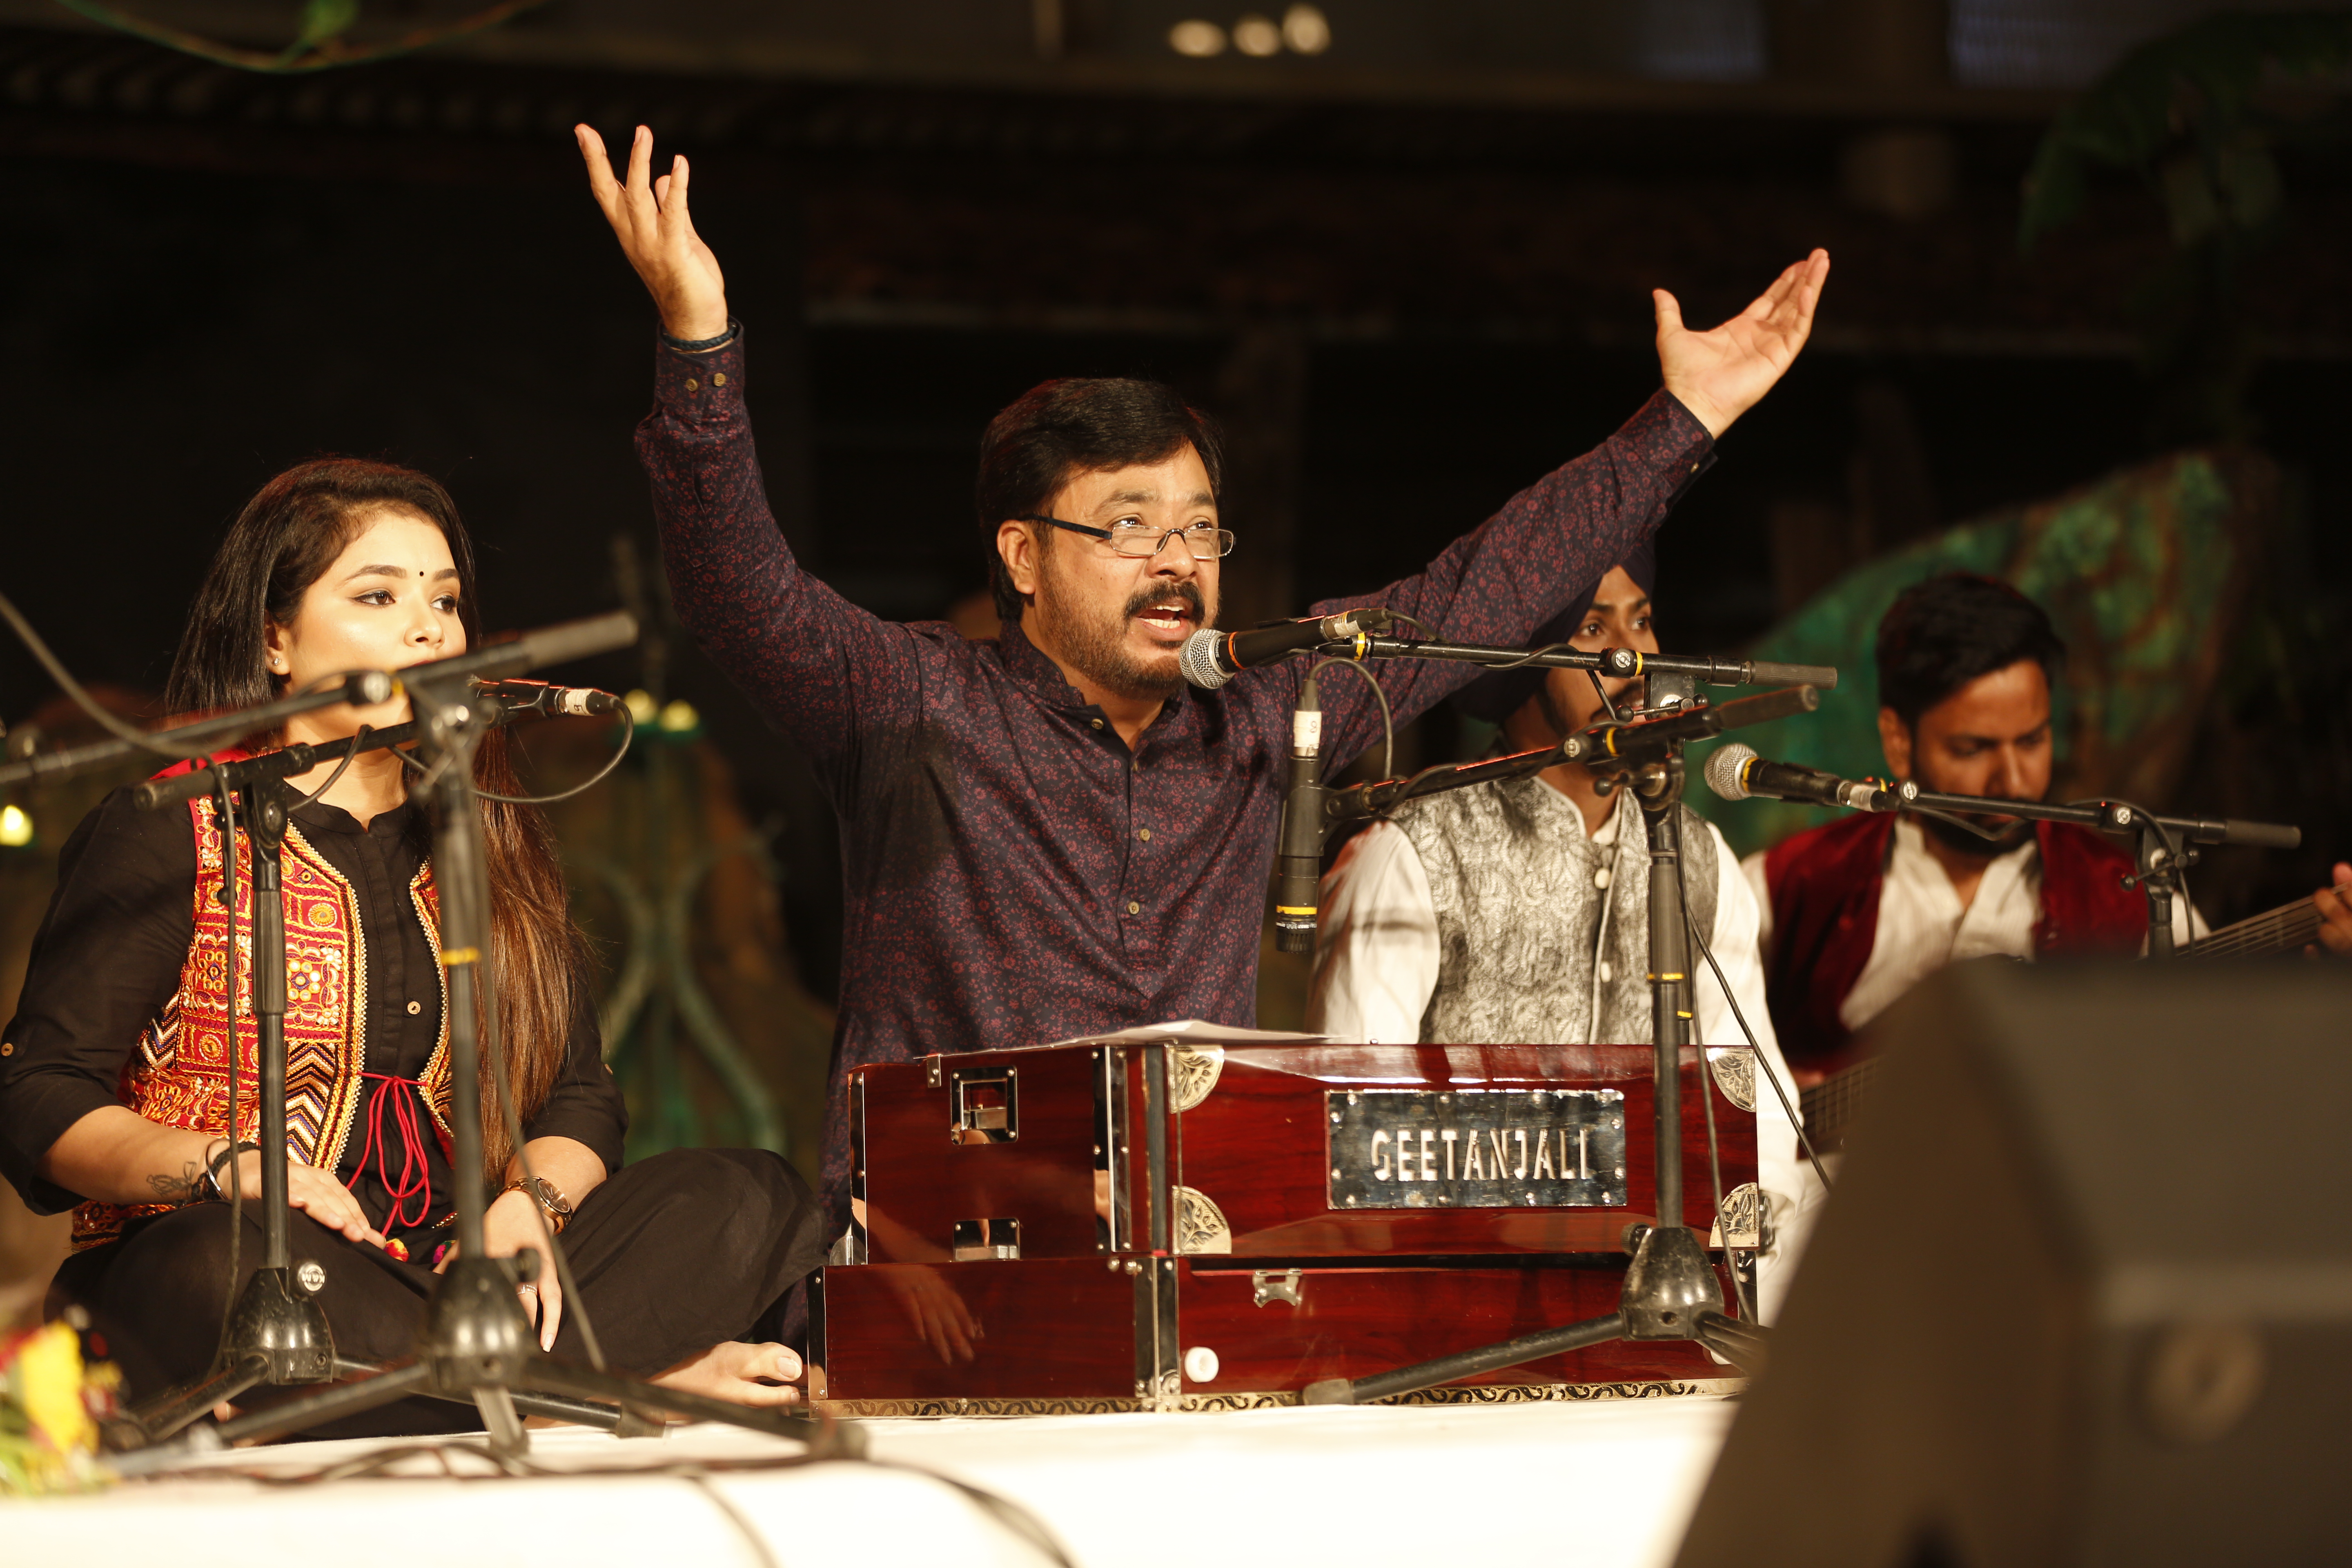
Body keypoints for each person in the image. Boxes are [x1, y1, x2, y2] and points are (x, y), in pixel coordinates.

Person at [576, 122, 1831, 1234]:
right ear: (1021, 553)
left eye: (1196, 528)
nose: (1175, 563)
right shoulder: (914, 702)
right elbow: (738, 587)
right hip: (938, 1266)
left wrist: (1682, 421)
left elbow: (1476, 595)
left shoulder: (1265, 708)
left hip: (1195, 1252)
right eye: (1128, 527)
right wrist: (699, 341)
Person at [0, 459, 824, 1431]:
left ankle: (506, 1390)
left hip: (455, 1272)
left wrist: (535, 1207)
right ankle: (617, 1388)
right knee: (225, 1270)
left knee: (744, 1193)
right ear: (275, 638)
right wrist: (229, 1166)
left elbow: (579, 1095)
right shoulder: (174, 825)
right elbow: (38, 1092)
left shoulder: (487, 837)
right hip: (249, 1265)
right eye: (378, 595)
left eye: (444, 600)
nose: (429, 628)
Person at [1306, 545, 1819, 1318]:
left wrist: (1750, 1247)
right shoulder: (1414, 848)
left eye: (1642, 620)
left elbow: (1757, 1105)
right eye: (1591, 628)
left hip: (1669, 1318)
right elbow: (1355, 1123)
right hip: (1466, 1311)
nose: (1634, 653)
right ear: (1516, 663)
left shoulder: (1698, 854)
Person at [1743, 574, 2202, 1080]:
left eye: (2031, 741)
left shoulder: (2134, 902)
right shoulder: (1787, 885)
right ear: (1898, 741)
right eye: (1973, 749)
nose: (2012, 780)